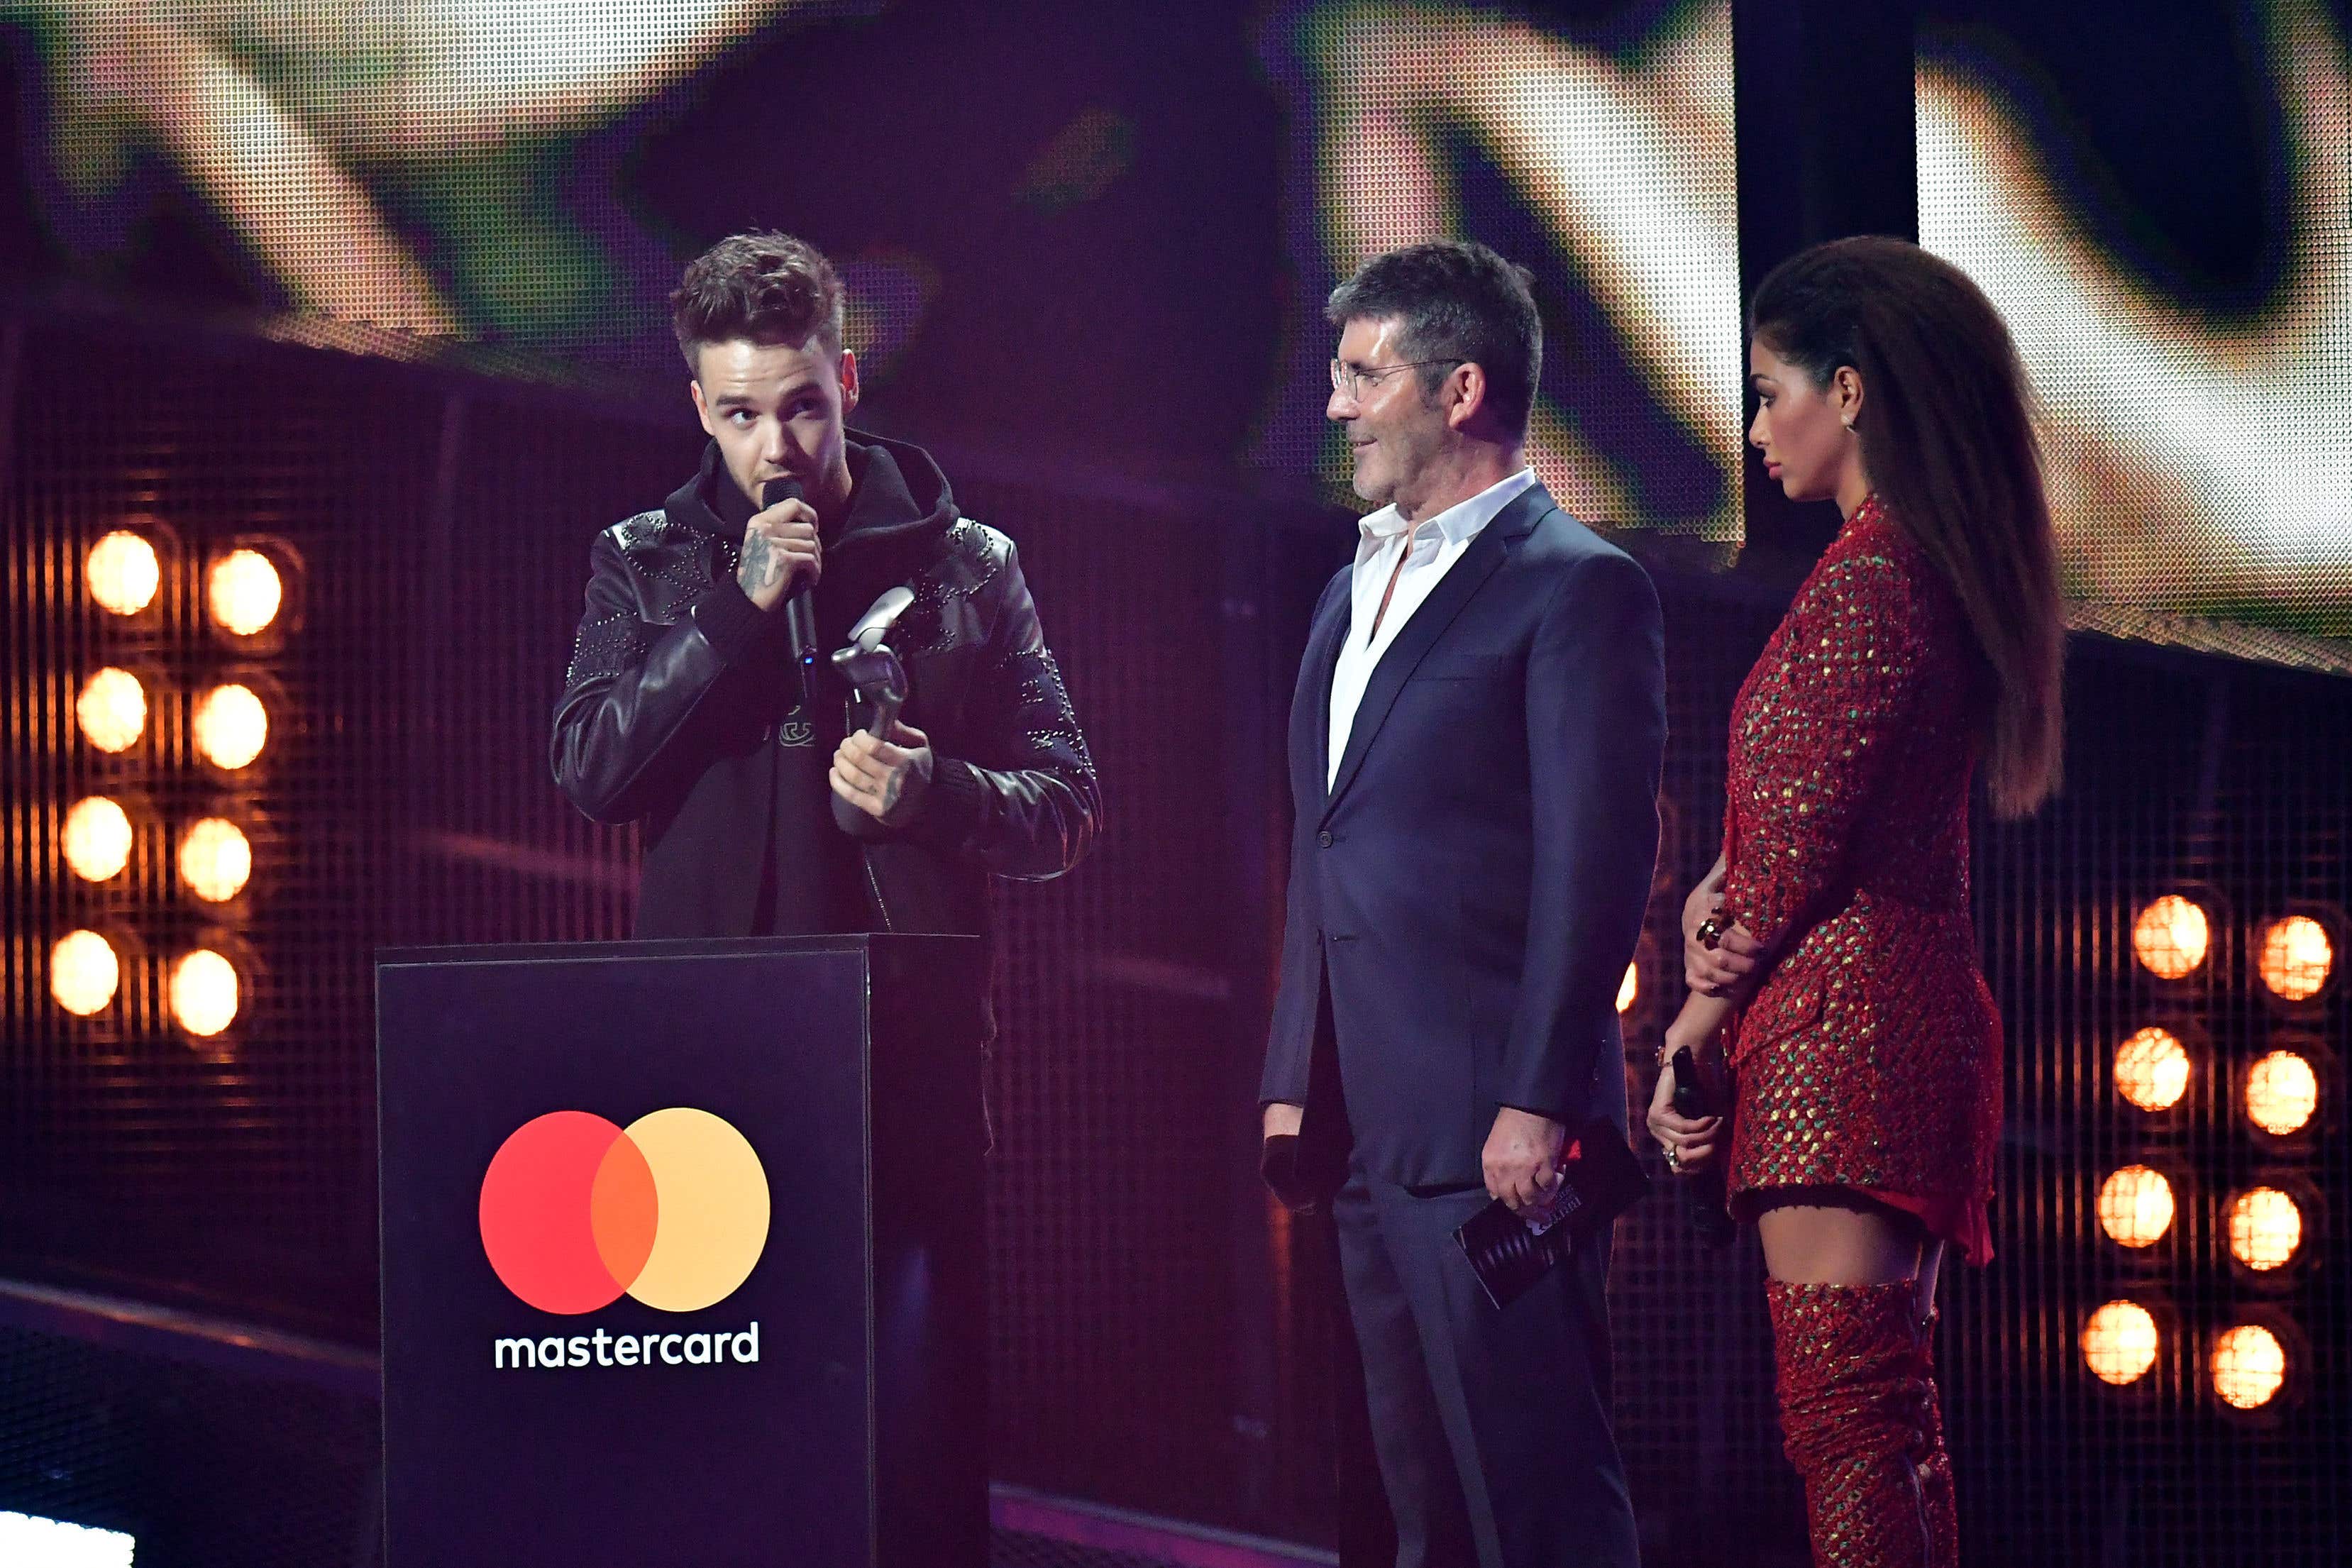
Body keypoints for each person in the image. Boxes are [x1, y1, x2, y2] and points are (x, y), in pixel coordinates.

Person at [1646, 236, 2065, 1568]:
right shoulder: (1915, 573)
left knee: (1851, 1426)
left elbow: (1776, 873)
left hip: (1848, 1040)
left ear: (1853, 388)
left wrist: (1685, 1039)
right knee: (1882, 1428)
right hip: (1899, 1019)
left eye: (1772, 393)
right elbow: (1771, 843)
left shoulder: (1874, 584)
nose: (1758, 428)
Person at [1259, 240, 1665, 1568]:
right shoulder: (1346, 587)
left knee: (1536, 1499)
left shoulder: (1578, 587)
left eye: (1362, 376)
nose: (1335, 406)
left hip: (1499, 1137)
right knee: (1418, 1505)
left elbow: (1596, 866)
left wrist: (1540, 1102)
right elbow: (1325, 847)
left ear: (1460, 390)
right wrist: (1290, 1074)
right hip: (1369, 1131)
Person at [551, 230, 1098, 965]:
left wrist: (938, 792)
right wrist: (733, 610)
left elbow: (1067, 806)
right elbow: (592, 773)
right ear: (702, 408)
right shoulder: (645, 556)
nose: (776, 447)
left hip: (901, 1018)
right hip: (704, 1015)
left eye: (802, 406)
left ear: (846, 381)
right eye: (742, 414)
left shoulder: (967, 563)